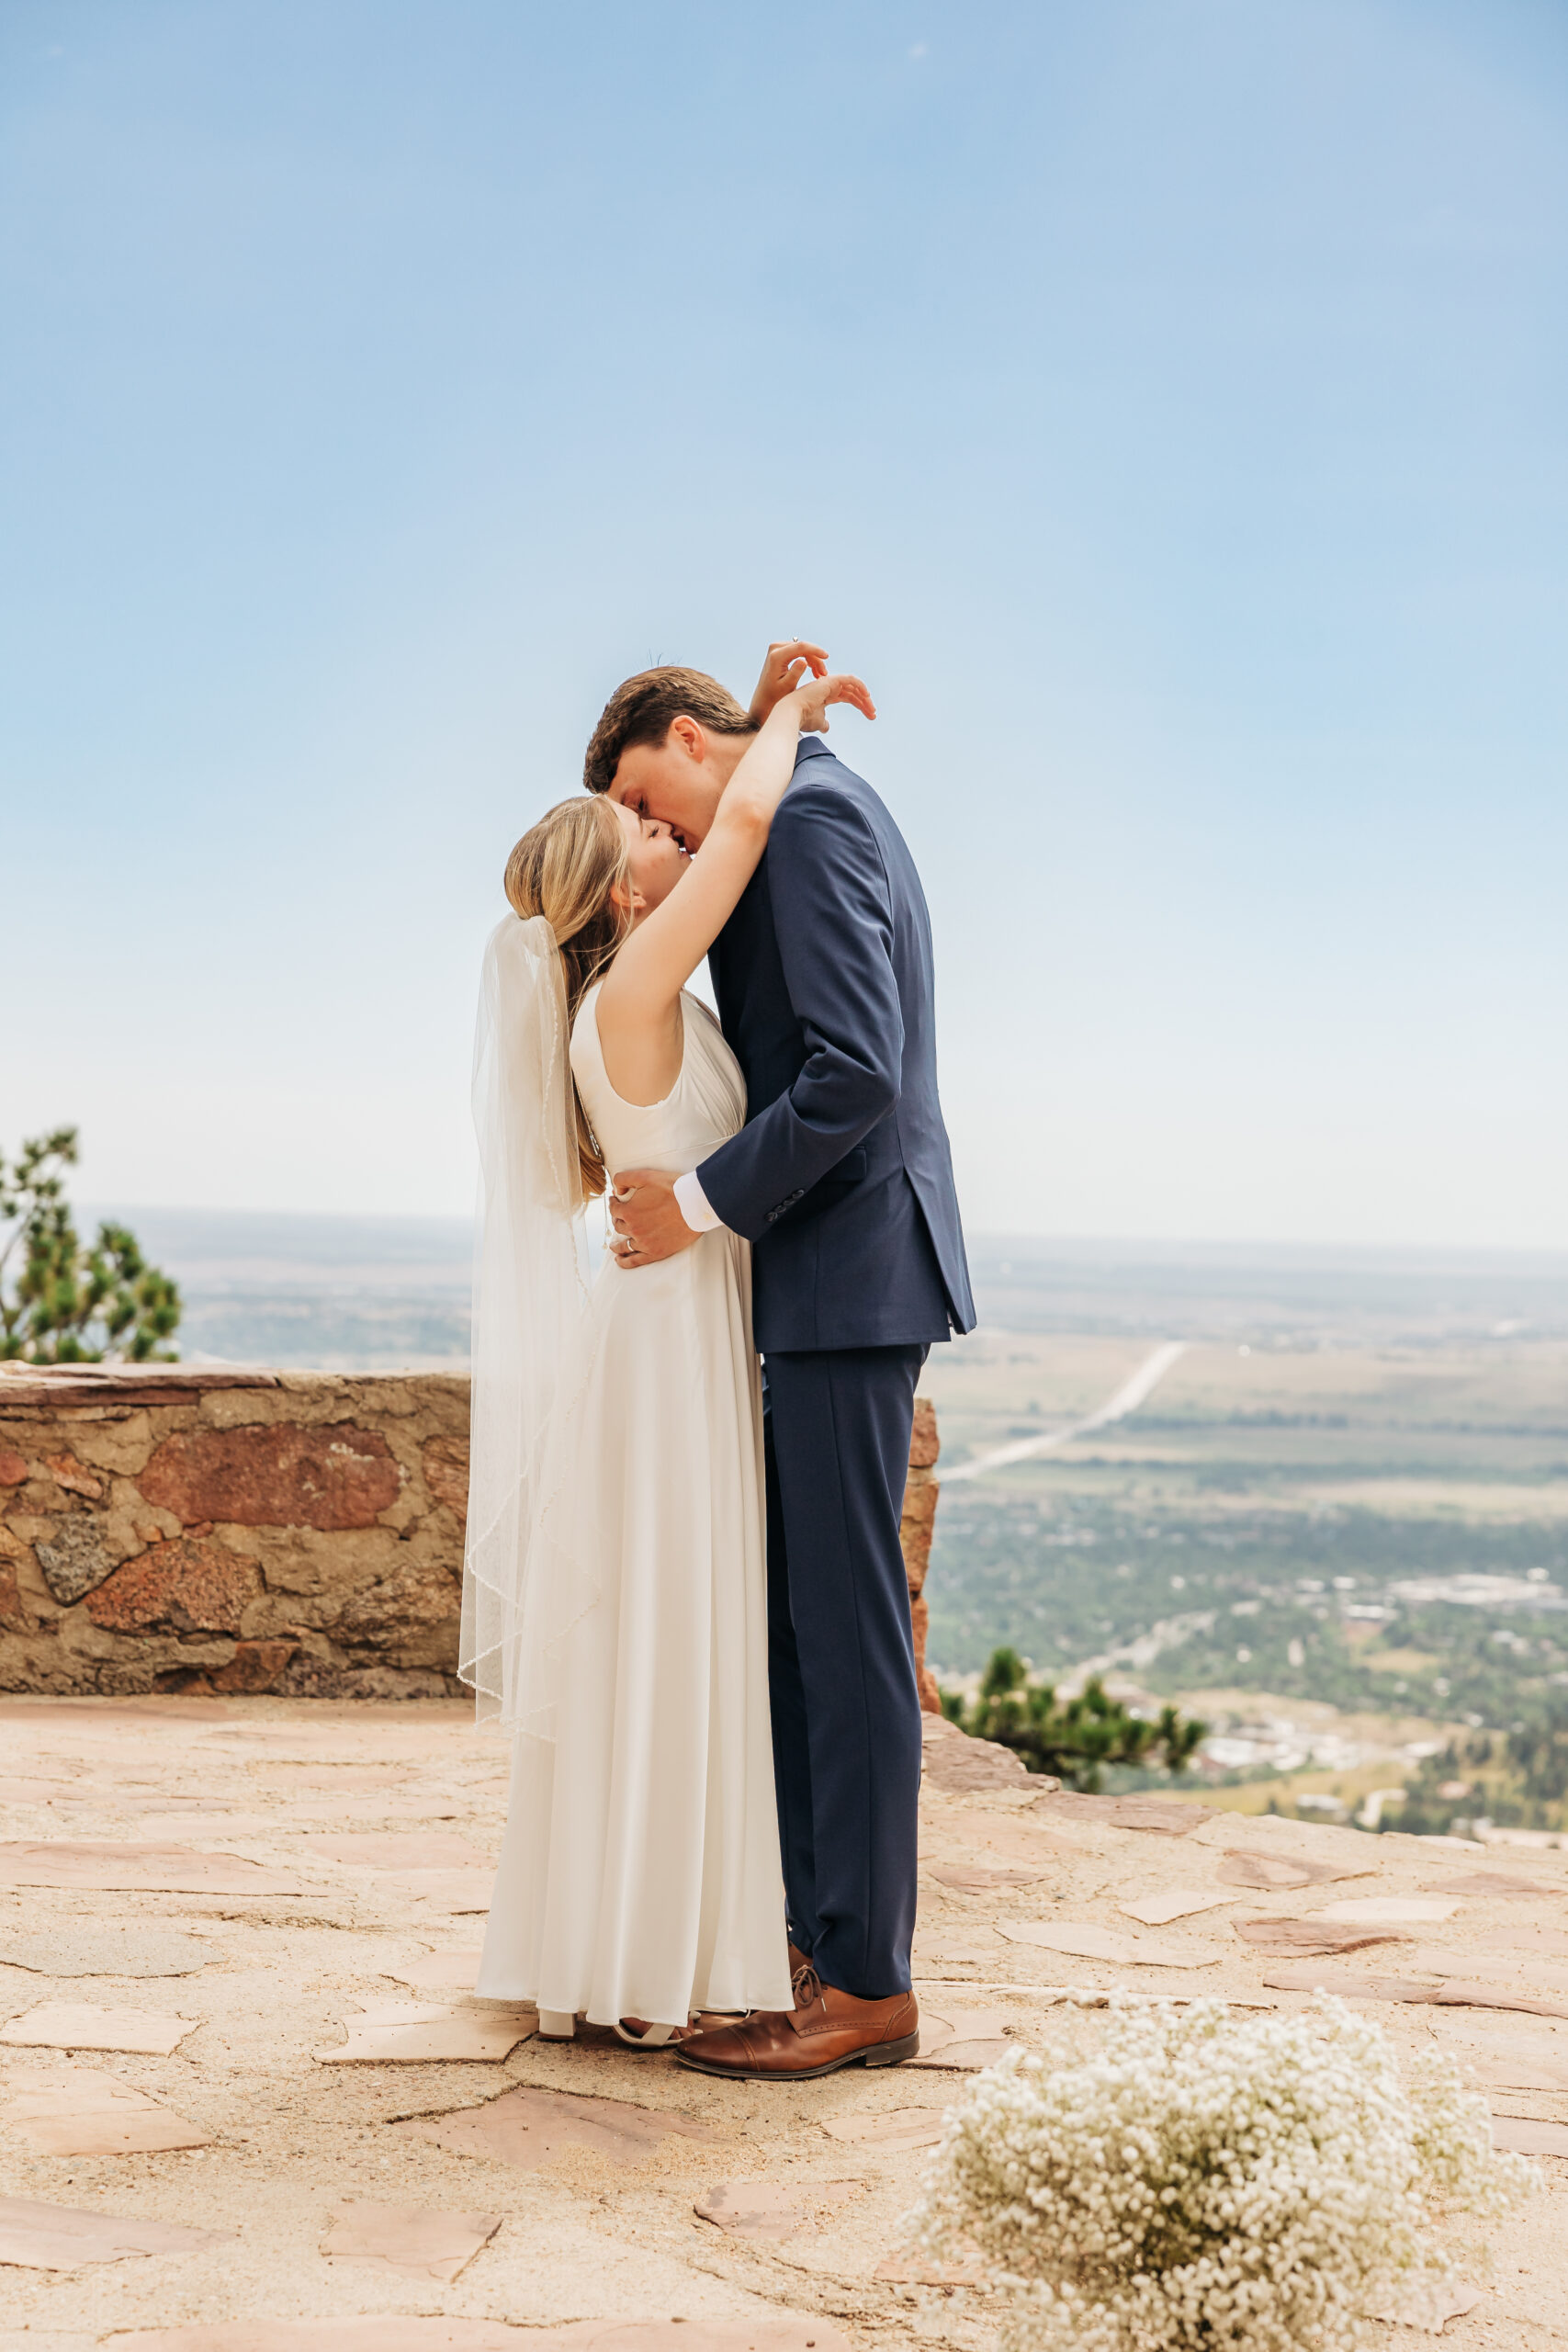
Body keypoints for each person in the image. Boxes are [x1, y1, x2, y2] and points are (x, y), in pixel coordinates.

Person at [464, 663, 875, 2049]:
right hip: (670, 1343)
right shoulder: (639, 983)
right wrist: (788, 728)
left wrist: (751, 720)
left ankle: (638, 1929)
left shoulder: (628, 1002)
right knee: (678, 1625)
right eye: (644, 828)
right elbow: (748, 830)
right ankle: (663, 1940)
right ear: (622, 893)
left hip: (670, 1328)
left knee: (666, 1629)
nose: (671, 835)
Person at [588, 641, 976, 2081]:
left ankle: (865, 1980)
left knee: (848, 1631)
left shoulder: (807, 816)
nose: (666, 834)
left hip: (848, 1272)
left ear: (693, 739)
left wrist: (692, 1207)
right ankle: (822, 1944)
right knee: (804, 1624)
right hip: (834, 1275)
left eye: (653, 795)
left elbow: (853, 1070)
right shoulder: (789, 797)